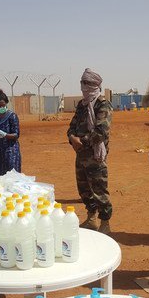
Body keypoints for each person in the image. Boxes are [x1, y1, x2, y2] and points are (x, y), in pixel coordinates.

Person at [67, 68, 113, 234]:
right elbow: (72, 126)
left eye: (85, 83)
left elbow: (101, 132)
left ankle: (105, 223)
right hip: (80, 154)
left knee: (100, 190)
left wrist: (82, 142)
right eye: (82, 83)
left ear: (94, 85)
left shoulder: (103, 104)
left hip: (95, 155)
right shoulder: (82, 105)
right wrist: (72, 138)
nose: (82, 86)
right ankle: (91, 218)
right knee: (84, 188)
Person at [0, 90, 21, 175]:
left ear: (6, 104)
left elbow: (16, 134)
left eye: (3, 105)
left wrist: (5, 135)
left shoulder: (12, 116)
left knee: (12, 175)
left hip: (10, 151)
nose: (1, 107)